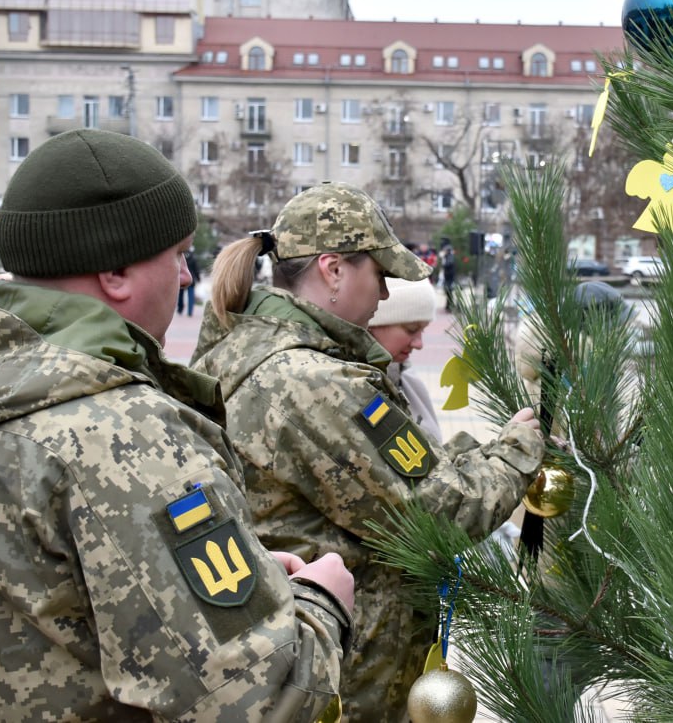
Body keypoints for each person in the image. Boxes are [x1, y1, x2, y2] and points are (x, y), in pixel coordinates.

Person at [0, 129, 354, 721]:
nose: (185, 277)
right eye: (177, 254)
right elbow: (257, 702)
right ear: (115, 271)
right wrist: (321, 601)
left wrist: (251, 572)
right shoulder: (121, 433)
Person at [191, 183, 546, 722]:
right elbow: (441, 514)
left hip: (298, 659)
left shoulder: (246, 352)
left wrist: (481, 451)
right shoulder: (314, 383)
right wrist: (519, 447)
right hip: (348, 680)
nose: (382, 295)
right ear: (333, 269)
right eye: (379, 275)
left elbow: (386, 479)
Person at [367, 277, 441, 442]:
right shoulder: (359, 389)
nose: (419, 344)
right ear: (372, 323)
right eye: (412, 329)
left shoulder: (405, 377)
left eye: (423, 330)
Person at [177, 247, 201, 316]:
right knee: (191, 296)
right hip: (191, 280)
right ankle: (190, 312)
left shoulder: (181, 257)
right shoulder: (193, 258)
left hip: (181, 278)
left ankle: (180, 309)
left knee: (180, 295)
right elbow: (196, 269)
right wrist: (198, 278)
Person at [439, 238, 457, 312]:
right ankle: (448, 306)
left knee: (449, 292)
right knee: (447, 292)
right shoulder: (446, 257)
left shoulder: (450, 256)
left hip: (450, 277)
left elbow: (448, 264)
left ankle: (450, 306)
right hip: (447, 277)